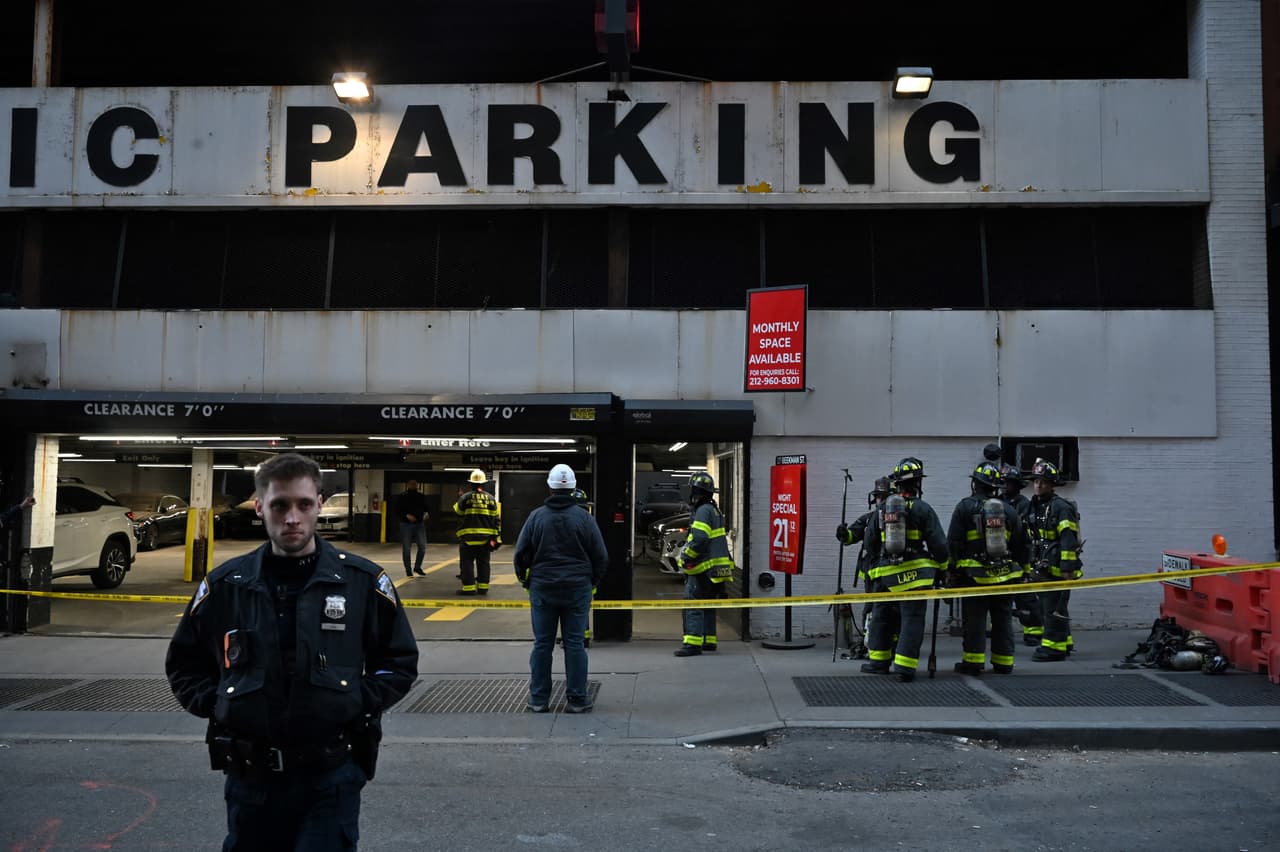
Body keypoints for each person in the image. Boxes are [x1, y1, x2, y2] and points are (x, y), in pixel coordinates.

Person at [165, 452, 419, 851]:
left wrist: (355, 701)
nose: (292, 517)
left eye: (303, 504)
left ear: (319, 504)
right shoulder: (226, 585)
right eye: (279, 505)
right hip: (251, 782)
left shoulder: (362, 583)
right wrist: (219, 706)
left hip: (331, 776)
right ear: (259, 507)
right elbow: (184, 663)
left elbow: (399, 662)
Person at [513, 464, 608, 713]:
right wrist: (592, 583)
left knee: (542, 644)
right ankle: (577, 699)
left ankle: (538, 699)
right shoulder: (585, 518)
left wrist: (526, 581)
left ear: (550, 487)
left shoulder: (536, 517)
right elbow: (601, 556)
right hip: (577, 588)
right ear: (573, 487)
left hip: (543, 588)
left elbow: (521, 554)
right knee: (575, 644)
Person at [858, 457, 948, 682]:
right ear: (918, 483)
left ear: (896, 484)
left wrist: (873, 571)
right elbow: (938, 544)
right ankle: (904, 668)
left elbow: (870, 544)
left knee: (881, 617)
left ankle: (878, 663)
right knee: (912, 620)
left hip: (885, 576)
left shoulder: (882, 510)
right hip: (915, 578)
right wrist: (943, 568)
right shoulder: (923, 509)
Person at [946, 462, 1028, 675]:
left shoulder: (964, 507)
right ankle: (1004, 662)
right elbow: (1021, 543)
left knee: (974, 620)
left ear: (975, 484)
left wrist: (951, 570)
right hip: (1004, 576)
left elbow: (953, 542)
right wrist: (1023, 572)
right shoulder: (1009, 510)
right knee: (1003, 619)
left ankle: (973, 662)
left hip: (974, 577)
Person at [1025, 458, 1082, 662]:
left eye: (1043, 482)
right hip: (1043, 565)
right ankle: (1064, 642)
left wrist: (1067, 568)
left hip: (1058, 567)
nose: (1038, 485)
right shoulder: (1035, 505)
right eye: (1036, 481)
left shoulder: (1061, 507)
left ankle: (1053, 648)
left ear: (1052, 484)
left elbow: (1068, 540)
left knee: (1052, 608)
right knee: (1052, 606)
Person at [674, 472, 735, 657]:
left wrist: (686, 556)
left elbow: (700, 538)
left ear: (697, 491)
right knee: (708, 604)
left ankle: (692, 644)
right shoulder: (714, 510)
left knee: (693, 604)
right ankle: (709, 641)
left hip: (703, 566)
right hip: (717, 568)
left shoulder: (702, 511)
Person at [836, 476, 896, 658]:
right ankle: (872, 644)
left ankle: (893, 644)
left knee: (894, 610)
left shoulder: (900, 520)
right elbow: (851, 536)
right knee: (871, 610)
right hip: (873, 575)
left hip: (896, 575)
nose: (881, 501)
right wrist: (843, 534)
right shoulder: (869, 519)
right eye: (879, 497)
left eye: (885, 496)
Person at [1002, 463, 1043, 647]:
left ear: (1017, 485)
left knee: (1025, 595)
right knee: (1000, 595)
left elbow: (1026, 533)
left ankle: (1033, 631)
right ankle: (999, 627)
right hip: (1002, 555)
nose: (1005, 486)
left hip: (1021, 554)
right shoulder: (997, 502)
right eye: (1003, 482)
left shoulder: (1024, 504)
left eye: (1009, 482)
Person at [453, 469, 501, 595]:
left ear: (471, 484)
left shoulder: (465, 497)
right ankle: (483, 588)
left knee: (467, 563)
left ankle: (469, 588)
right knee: (484, 563)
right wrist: (495, 537)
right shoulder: (491, 499)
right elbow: (496, 519)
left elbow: (458, 512)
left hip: (468, 539)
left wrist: (460, 497)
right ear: (483, 483)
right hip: (485, 539)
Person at [395, 479, 429, 578]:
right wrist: (406, 515)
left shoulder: (421, 496)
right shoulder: (402, 496)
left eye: (415, 484)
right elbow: (397, 510)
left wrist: (426, 514)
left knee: (422, 546)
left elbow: (426, 508)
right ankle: (408, 570)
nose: (414, 486)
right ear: (408, 485)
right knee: (406, 548)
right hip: (406, 524)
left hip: (419, 524)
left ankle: (417, 567)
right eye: (412, 484)